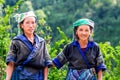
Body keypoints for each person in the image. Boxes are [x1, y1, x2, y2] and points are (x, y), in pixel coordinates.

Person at [6, 11, 51, 80]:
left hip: (38, 77)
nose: (31, 26)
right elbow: (11, 62)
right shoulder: (16, 42)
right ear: (21, 25)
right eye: (27, 23)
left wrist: (45, 79)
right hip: (20, 77)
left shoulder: (41, 42)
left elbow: (45, 63)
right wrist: (7, 78)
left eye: (33, 22)